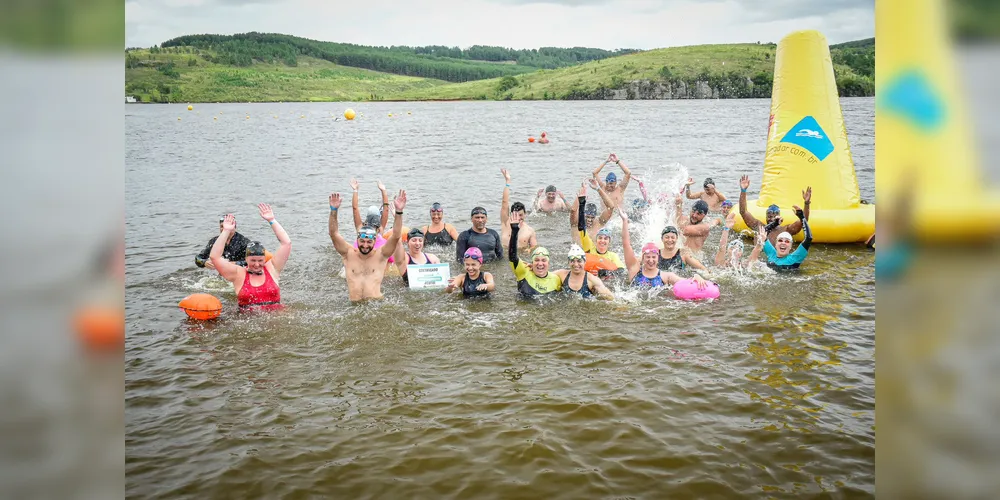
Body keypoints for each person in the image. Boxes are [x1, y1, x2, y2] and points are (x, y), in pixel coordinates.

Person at [329, 189, 407, 301]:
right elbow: (333, 234)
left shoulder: (381, 255)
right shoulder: (348, 254)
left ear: (375, 241)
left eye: (369, 242)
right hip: (354, 305)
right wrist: (333, 211)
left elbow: (395, 236)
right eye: (362, 241)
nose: (365, 245)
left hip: (376, 304)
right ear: (357, 240)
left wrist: (399, 212)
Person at [210, 204, 291, 310]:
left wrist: (272, 220)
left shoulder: (272, 268)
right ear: (246, 259)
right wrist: (226, 231)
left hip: (276, 317)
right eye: (253, 260)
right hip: (246, 318)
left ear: (264, 259)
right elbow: (215, 257)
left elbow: (286, 243)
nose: (257, 264)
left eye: (260, 260)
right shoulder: (238, 274)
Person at [620, 211, 707, 290]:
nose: (651, 260)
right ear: (642, 258)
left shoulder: (666, 276)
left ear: (658, 258)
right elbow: (626, 245)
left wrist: (696, 277)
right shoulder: (634, 270)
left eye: (653, 257)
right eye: (648, 257)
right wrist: (624, 221)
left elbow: (686, 281)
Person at [738, 175, 812, 246]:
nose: (771, 219)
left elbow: (804, 220)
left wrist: (806, 203)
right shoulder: (759, 227)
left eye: (774, 216)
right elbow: (743, 212)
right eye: (769, 216)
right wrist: (743, 190)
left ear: (779, 217)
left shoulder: (786, 230)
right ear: (766, 217)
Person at [572, 183, 625, 279]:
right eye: (600, 238)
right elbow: (581, 227)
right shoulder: (589, 247)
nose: (602, 240)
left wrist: (603, 272)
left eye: (605, 239)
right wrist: (581, 202)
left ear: (609, 242)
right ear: (596, 240)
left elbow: (622, 271)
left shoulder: (612, 256)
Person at [507, 211, 562, 298]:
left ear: (549, 263)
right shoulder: (524, 272)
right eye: (536, 260)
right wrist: (514, 231)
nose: (540, 263)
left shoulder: (556, 279)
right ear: (532, 263)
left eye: (543, 260)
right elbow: (512, 257)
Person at [499, 169, 538, 252]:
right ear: (510, 214)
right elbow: (504, 203)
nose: (518, 218)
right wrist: (508, 182)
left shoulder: (529, 231)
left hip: (519, 257)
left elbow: (534, 246)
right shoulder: (506, 223)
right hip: (505, 256)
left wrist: (530, 250)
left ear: (525, 214)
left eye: (520, 215)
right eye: (515, 215)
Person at [350, 178, 390, 252]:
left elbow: (355, 208)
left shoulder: (361, 229)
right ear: (379, 217)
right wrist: (383, 191)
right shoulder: (380, 229)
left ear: (367, 218)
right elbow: (386, 209)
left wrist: (355, 190)